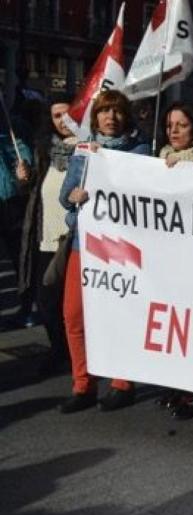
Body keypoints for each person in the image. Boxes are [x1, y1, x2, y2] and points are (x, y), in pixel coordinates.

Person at [58, 89, 149, 413]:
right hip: (85, 245)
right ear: (95, 117)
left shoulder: (141, 151)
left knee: (119, 315)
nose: (110, 118)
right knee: (73, 315)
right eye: (104, 112)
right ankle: (83, 384)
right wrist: (74, 196)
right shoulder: (83, 152)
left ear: (125, 117)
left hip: (122, 248)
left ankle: (122, 382)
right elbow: (65, 195)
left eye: (117, 112)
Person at [155, 102, 193, 418]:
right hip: (168, 259)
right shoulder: (156, 161)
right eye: (169, 125)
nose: (174, 131)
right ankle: (173, 386)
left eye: (182, 124)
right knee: (171, 326)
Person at [17, 96, 74, 370]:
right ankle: (58, 350)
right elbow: (34, 193)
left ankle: (74, 354)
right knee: (45, 301)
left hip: (73, 240)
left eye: (66, 114)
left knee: (70, 304)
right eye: (56, 116)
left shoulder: (87, 148)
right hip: (45, 237)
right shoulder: (45, 150)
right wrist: (24, 179)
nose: (61, 120)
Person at [1, 104, 33, 330]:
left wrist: (25, 167)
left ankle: (25, 307)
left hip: (11, 202)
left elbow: (23, 152)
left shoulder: (13, 126)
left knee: (19, 258)